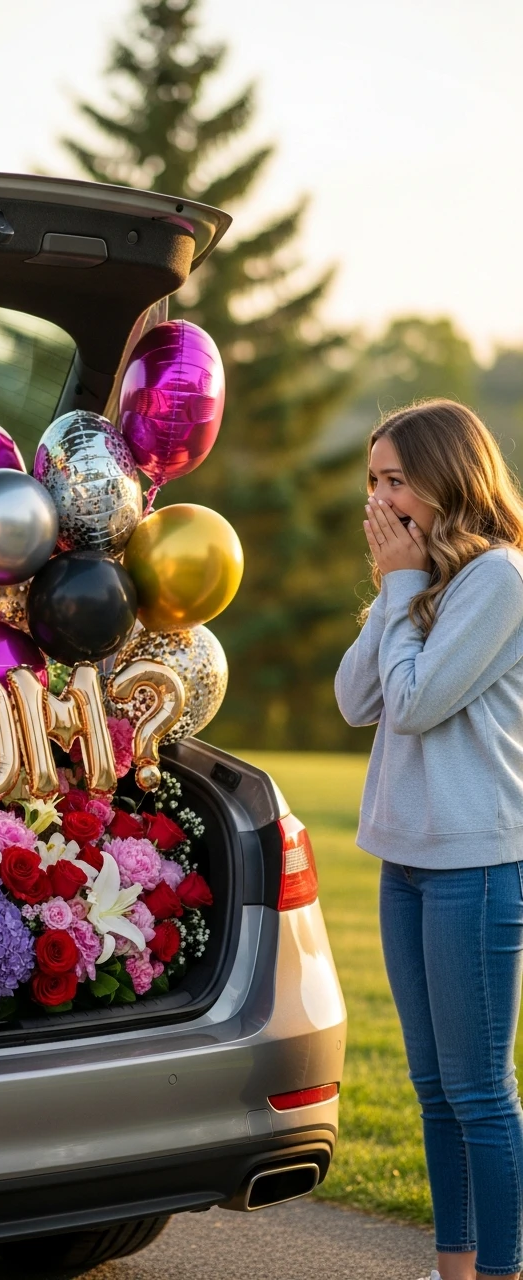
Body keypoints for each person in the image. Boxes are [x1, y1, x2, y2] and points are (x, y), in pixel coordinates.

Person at [335, 399, 523, 1280]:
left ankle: (500, 1272)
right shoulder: (413, 582)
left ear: (448, 480)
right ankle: (454, 1270)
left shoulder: (499, 581)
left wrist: (403, 585)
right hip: (405, 861)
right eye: (372, 480)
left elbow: (414, 703)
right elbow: (358, 700)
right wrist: (392, 590)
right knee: (434, 1093)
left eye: (396, 481)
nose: (379, 500)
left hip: (473, 867)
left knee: (480, 1094)